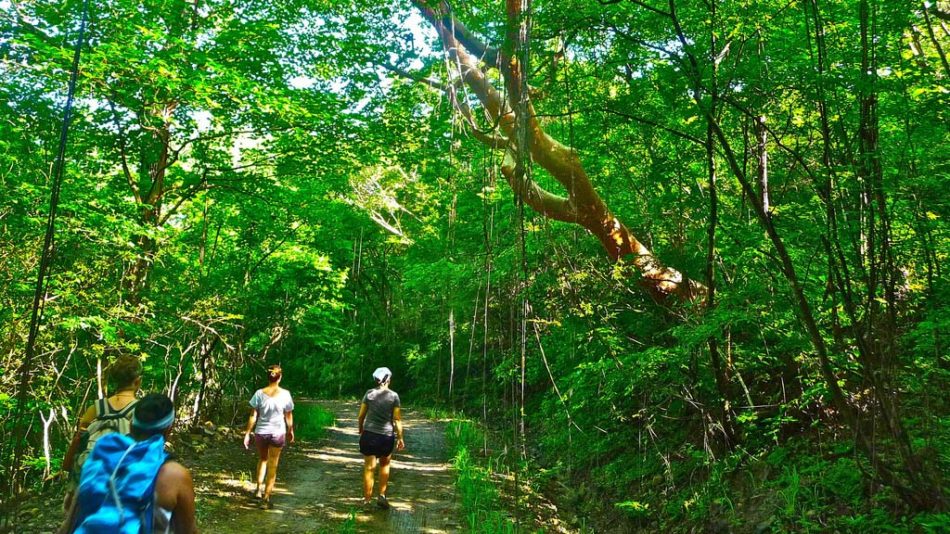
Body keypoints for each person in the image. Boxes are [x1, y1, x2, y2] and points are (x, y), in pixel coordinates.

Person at [64, 393, 196, 534]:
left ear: (131, 424)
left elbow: (72, 520)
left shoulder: (102, 456)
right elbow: (188, 531)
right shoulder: (175, 475)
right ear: (169, 429)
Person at [60, 355, 143, 520]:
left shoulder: (95, 408)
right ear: (137, 381)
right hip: (123, 481)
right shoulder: (142, 410)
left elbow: (79, 442)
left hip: (90, 476)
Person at [243, 364, 295, 508]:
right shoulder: (286, 394)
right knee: (273, 464)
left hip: (261, 432)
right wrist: (290, 430)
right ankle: (266, 498)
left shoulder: (259, 393)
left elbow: (253, 415)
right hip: (278, 433)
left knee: (263, 459)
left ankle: (258, 490)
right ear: (280, 377)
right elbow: (288, 415)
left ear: (268, 377)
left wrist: (247, 433)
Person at [357, 367, 405, 510]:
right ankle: (382, 495)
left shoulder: (369, 394)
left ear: (376, 380)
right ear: (388, 379)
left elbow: (361, 415)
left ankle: (366, 501)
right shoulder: (394, 396)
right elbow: (397, 419)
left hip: (369, 435)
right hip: (386, 436)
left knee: (369, 468)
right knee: (384, 465)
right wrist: (400, 437)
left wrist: (361, 428)